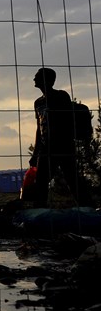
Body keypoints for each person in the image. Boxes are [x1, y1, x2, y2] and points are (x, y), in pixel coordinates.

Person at [30, 67, 90, 207]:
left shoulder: (61, 96)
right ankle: (39, 211)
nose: (34, 79)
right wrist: (36, 153)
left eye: (37, 76)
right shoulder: (38, 102)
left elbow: (67, 120)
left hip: (64, 146)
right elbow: (39, 129)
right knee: (40, 183)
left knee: (73, 180)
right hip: (46, 149)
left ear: (46, 80)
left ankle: (88, 209)